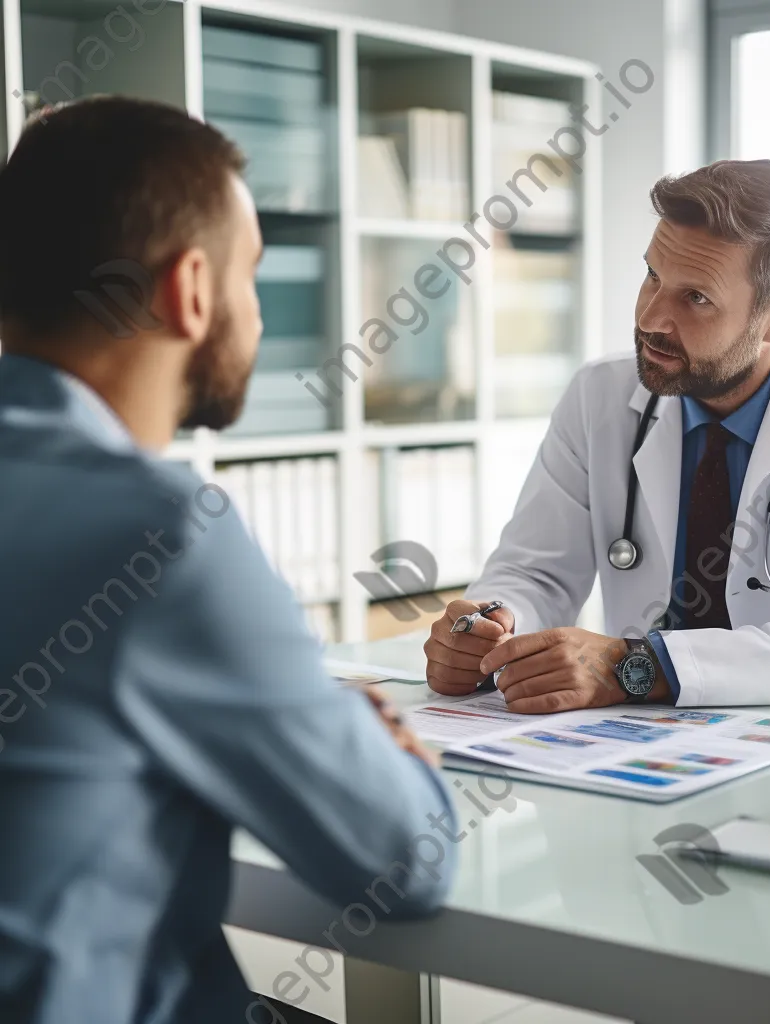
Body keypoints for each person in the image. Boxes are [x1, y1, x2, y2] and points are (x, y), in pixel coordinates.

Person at [0, 97, 454, 1024]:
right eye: (255, 274)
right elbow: (405, 864)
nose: (257, 307)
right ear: (191, 289)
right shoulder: (158, 535)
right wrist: (366, 737)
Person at [425, 159, 770, 711]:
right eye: (652, 275)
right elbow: (536, 570)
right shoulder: (598, 395)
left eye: (695, 298)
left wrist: (635, 666)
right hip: (646, 742)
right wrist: (493, 626)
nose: (651, 317)